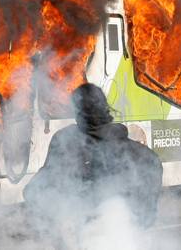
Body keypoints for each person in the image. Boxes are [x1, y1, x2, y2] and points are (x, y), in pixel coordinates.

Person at [24, 83, 163, 229]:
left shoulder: (68, 143)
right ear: (106, 109)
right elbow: (148, 215)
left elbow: (34, 192)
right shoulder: (146, 157)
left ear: (78, 114)